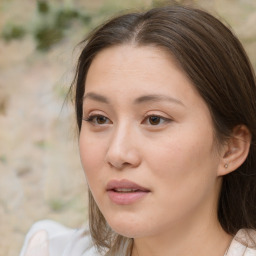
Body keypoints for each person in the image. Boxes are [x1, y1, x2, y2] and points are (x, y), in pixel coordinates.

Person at [19, 4, 256, 256]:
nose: (117, 153)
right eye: (99, 119)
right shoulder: (49, 250)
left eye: (155, 119)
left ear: (231, 148)